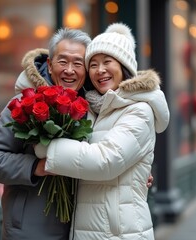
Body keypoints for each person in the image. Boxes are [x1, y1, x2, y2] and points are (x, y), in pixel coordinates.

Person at [41, 23, 169, 239]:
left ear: (124, 66)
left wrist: (44, 147)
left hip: (119, 231)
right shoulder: (96, 107)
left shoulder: (139, 110)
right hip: (92, 228)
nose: (100, 70)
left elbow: (106, 161)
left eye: (107, 62)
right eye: (93, 64)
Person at [0, 28, 92, 239]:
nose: (69, 70)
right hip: (29, 230)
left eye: (77, 63)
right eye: (62, 61)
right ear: (49, 64)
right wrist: (35, 167)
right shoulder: (24, 105)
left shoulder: (92, 109)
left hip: (80, 228)